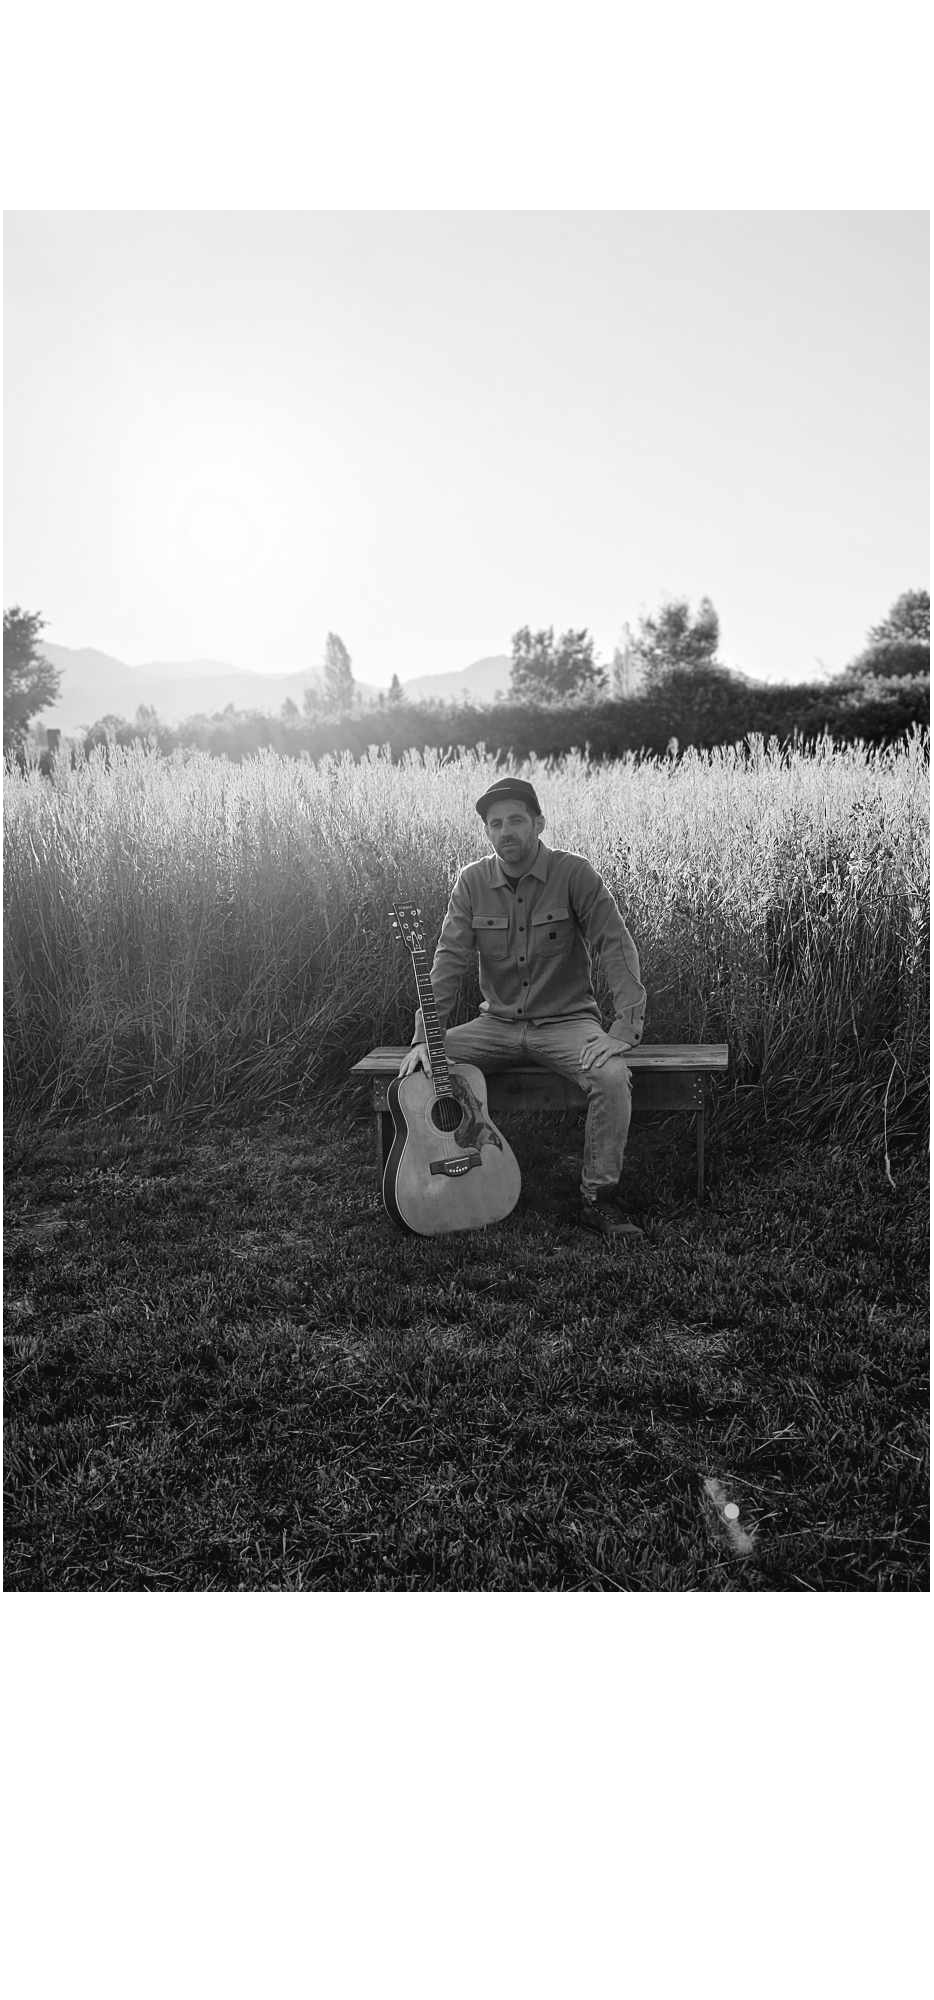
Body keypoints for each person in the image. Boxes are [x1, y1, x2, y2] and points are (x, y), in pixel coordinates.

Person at [398, 777, 647, 1239]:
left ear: (539, 823)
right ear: (487, 832)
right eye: (495, 824)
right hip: (496, 1024)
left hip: (567, 1023)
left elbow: (615, 947)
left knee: (611, 1077)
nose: (505, 831)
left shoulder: (574, 874)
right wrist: (423, 1038)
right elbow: (447, 962)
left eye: (515, 819)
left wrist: (623, 1028)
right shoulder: (471, 882)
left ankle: (598, 1199)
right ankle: (445, 1173)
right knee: (416, 1071)